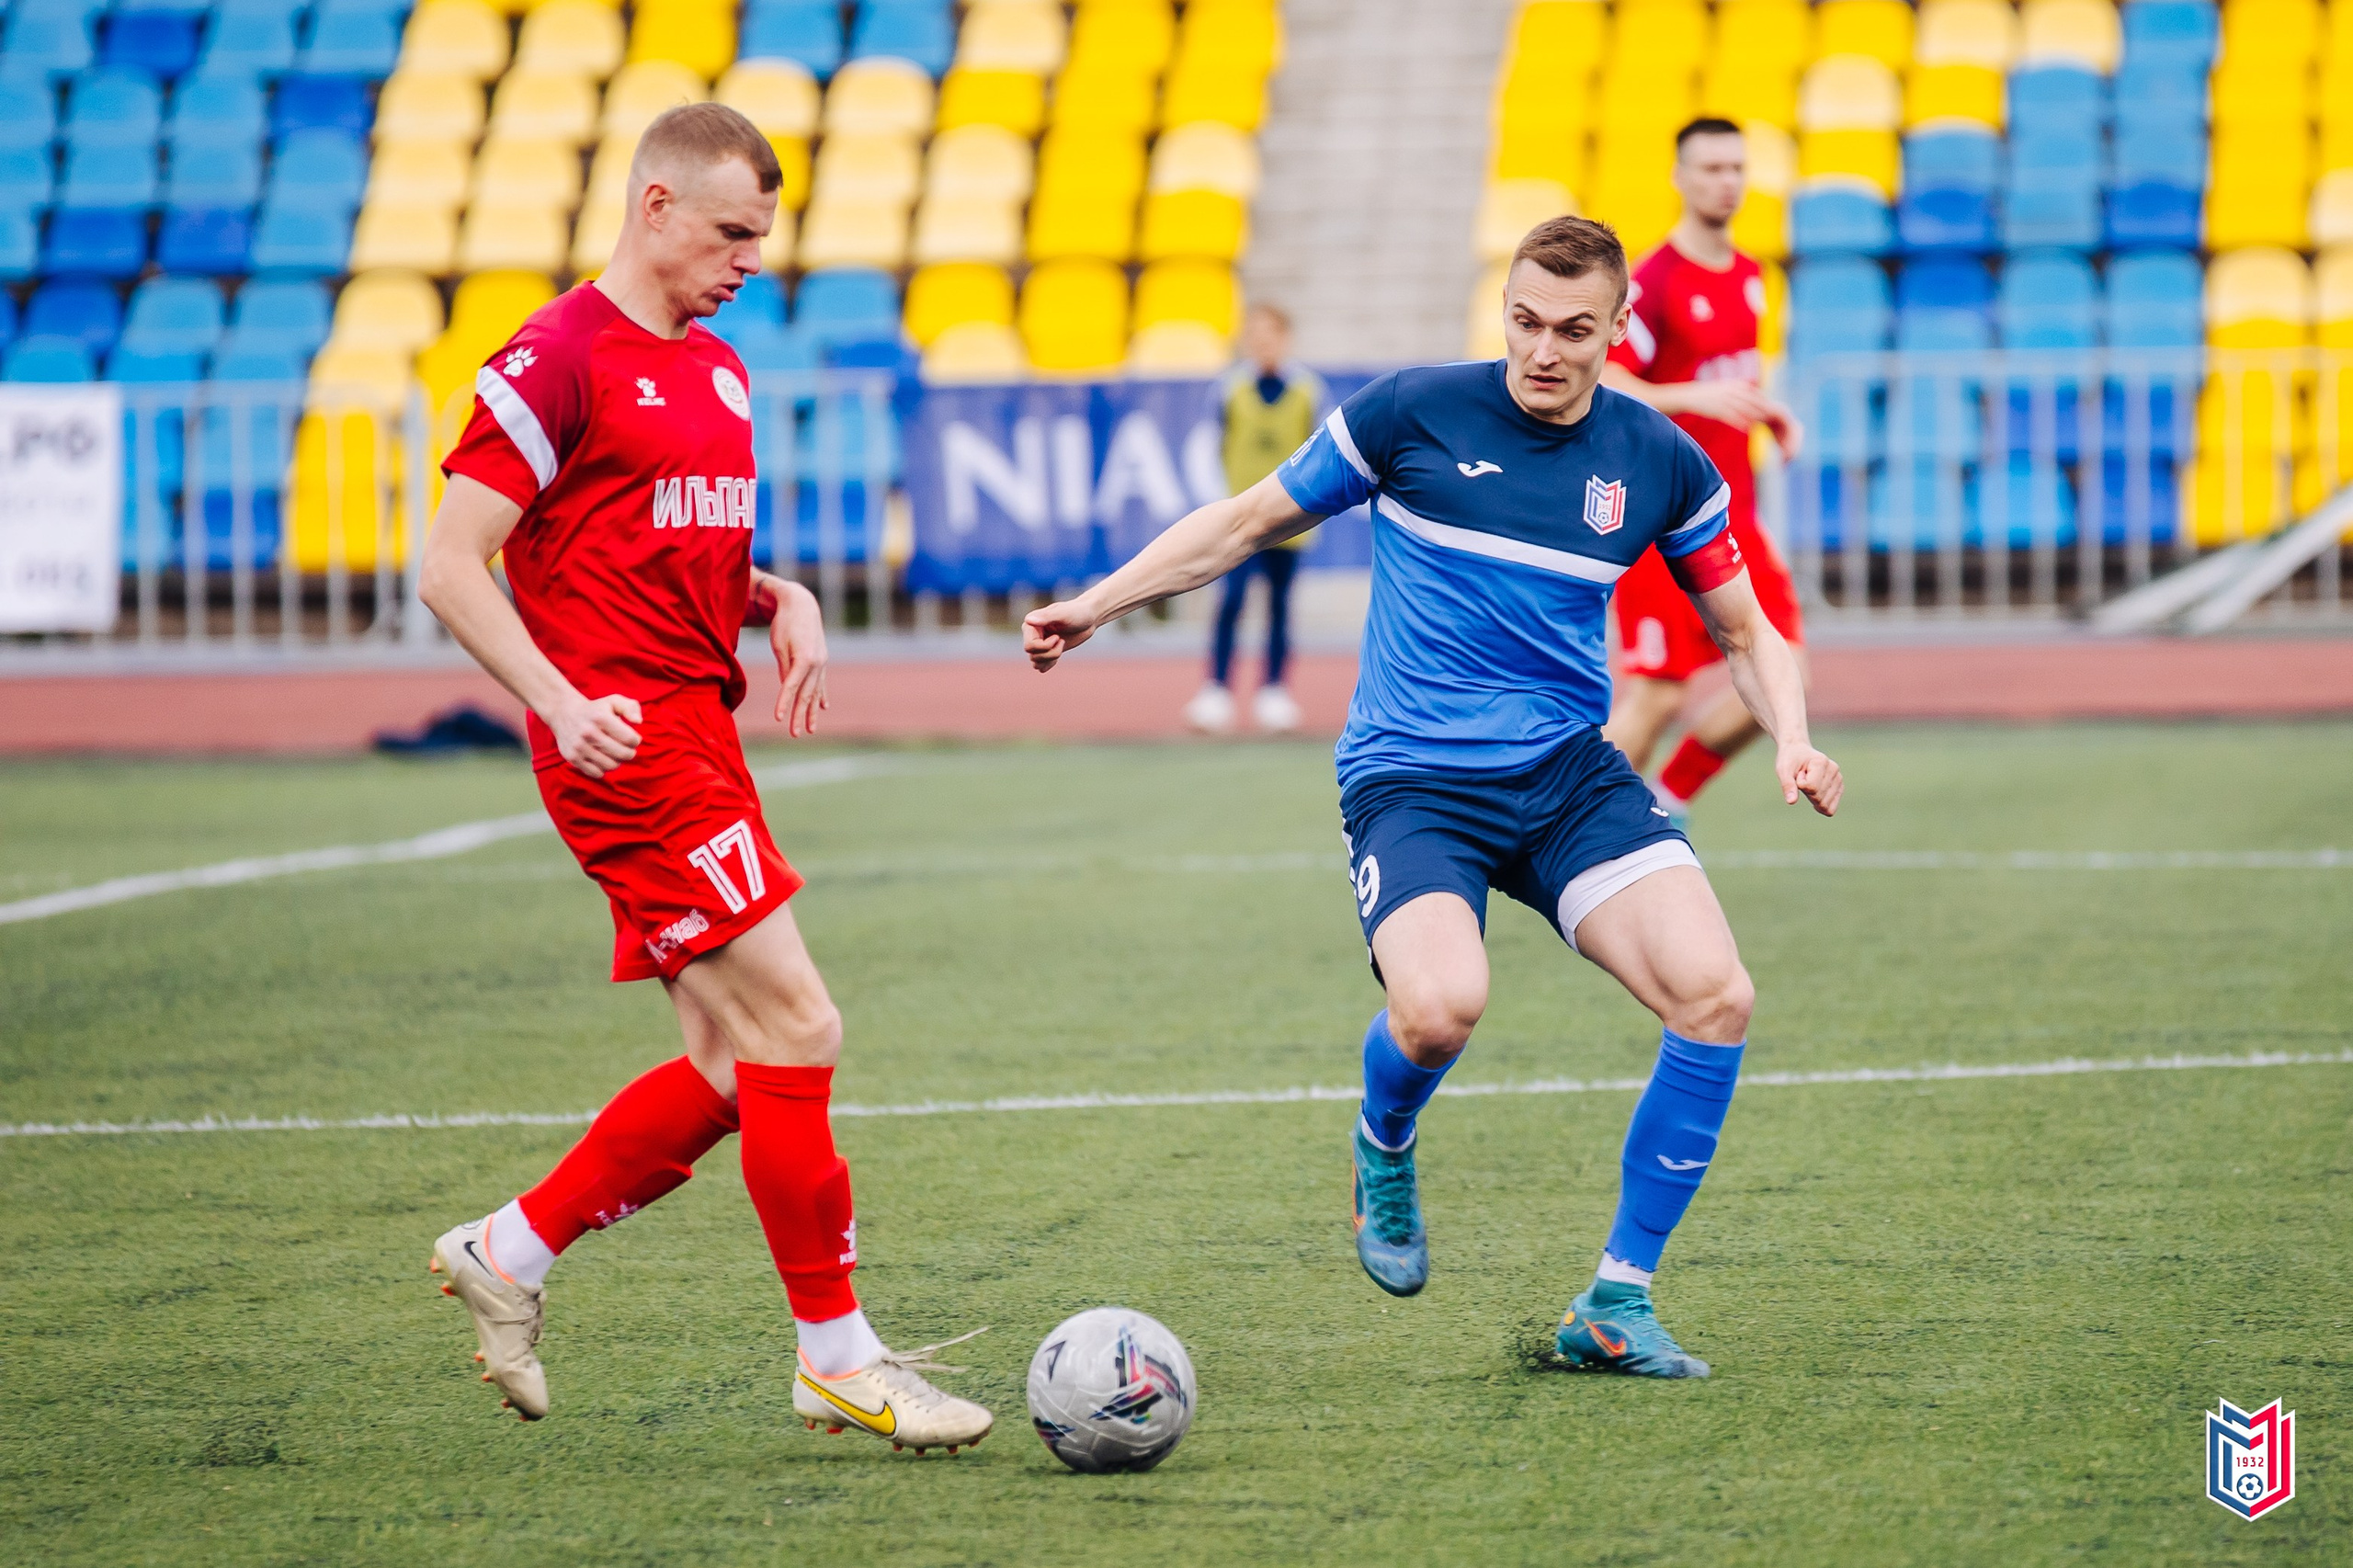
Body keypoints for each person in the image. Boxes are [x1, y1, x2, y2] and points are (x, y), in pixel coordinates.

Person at [1023, 217, 1841, 1379]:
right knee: (1442, 1007)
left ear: (1618, 332)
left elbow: (1743, 627)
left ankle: (1616, 1299)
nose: (1542, 352)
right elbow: (1248, 519)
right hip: (1413, 779)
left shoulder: (1656, 457)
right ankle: (1382, 1139)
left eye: (1572, 330)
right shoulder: (1410, 412)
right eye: (1522, 322)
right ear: (1500, 310)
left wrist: (1792, 739)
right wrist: (1094, 604)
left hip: (1566, 777)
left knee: (1716, 994)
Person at [415, 103, 990, 1450]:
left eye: (765, 239)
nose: (750, 261)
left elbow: (669, 556)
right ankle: (837, 1357)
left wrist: (777, 593)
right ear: (655, 206)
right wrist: (560, 701)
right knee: (801, 1024)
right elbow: (450, 564)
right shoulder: (555, 358)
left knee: (735, 1064)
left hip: (696, 733)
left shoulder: (718, 371)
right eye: (732, 232)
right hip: (630, 752)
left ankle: (513, 1247)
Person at [1599, 117, 1809, 824]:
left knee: (1788, 680)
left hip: (1735, 515)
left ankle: (1667, 798)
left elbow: (1725, 381)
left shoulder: (1751, 277)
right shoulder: (1652, 283)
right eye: (1711, 168)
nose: (1727, 182)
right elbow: (1610, 382)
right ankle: (1563, 821)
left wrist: (1767, 411)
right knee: (1655, 696)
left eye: (1736, 168)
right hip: (1663, 519)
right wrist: (1689, 397)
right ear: (1680, 177)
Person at [1185, 305, 1327, 735]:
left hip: (1288, 521)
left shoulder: (1307, 390)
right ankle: (1216, 691)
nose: (1262, 343)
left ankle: (1274, 692)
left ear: (1285, 338)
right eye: (1255, 335)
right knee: (1230, 603)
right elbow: (1212, 448)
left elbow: (1319, 450)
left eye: (1270, 334)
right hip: (1240, 521)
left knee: (1280, 607)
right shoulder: (1230, 390)